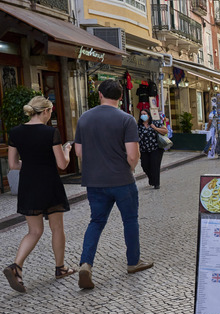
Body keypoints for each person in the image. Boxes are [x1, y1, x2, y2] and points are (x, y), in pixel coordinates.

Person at [74, 79, 154, 290]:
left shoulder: (84, 118)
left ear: (100, 94)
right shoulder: (126, 119)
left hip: (94, 181)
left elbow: (79, 153)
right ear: (121, 97)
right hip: (121, 180)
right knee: (130, 220)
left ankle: (85, 264)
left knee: (96, 221)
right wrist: (130, 166)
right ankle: (133, 262)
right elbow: (132, 154)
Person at [3, 96, 75, 293]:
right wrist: (67, 150)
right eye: (51, 111)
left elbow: (13, 165)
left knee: (34, 231)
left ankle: (16, 266)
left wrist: (32, 165)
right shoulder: (50, 132)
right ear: (45, 111)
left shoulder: (16, 132)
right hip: (49, 183)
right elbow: (62, 164)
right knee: (57, 227)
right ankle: (60, 268)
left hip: (28, 184)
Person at [137, 109, 168, 189]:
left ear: (148, 115)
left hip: (156, 148)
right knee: (145, 165)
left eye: (144, 113)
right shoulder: (138, 126)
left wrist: (155, 128)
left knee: (155, 165)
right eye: (141, 114)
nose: (143, 115)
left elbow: (165, 131)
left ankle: (156, 183)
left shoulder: (155, 122)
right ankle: (151, 178)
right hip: (144, 149)